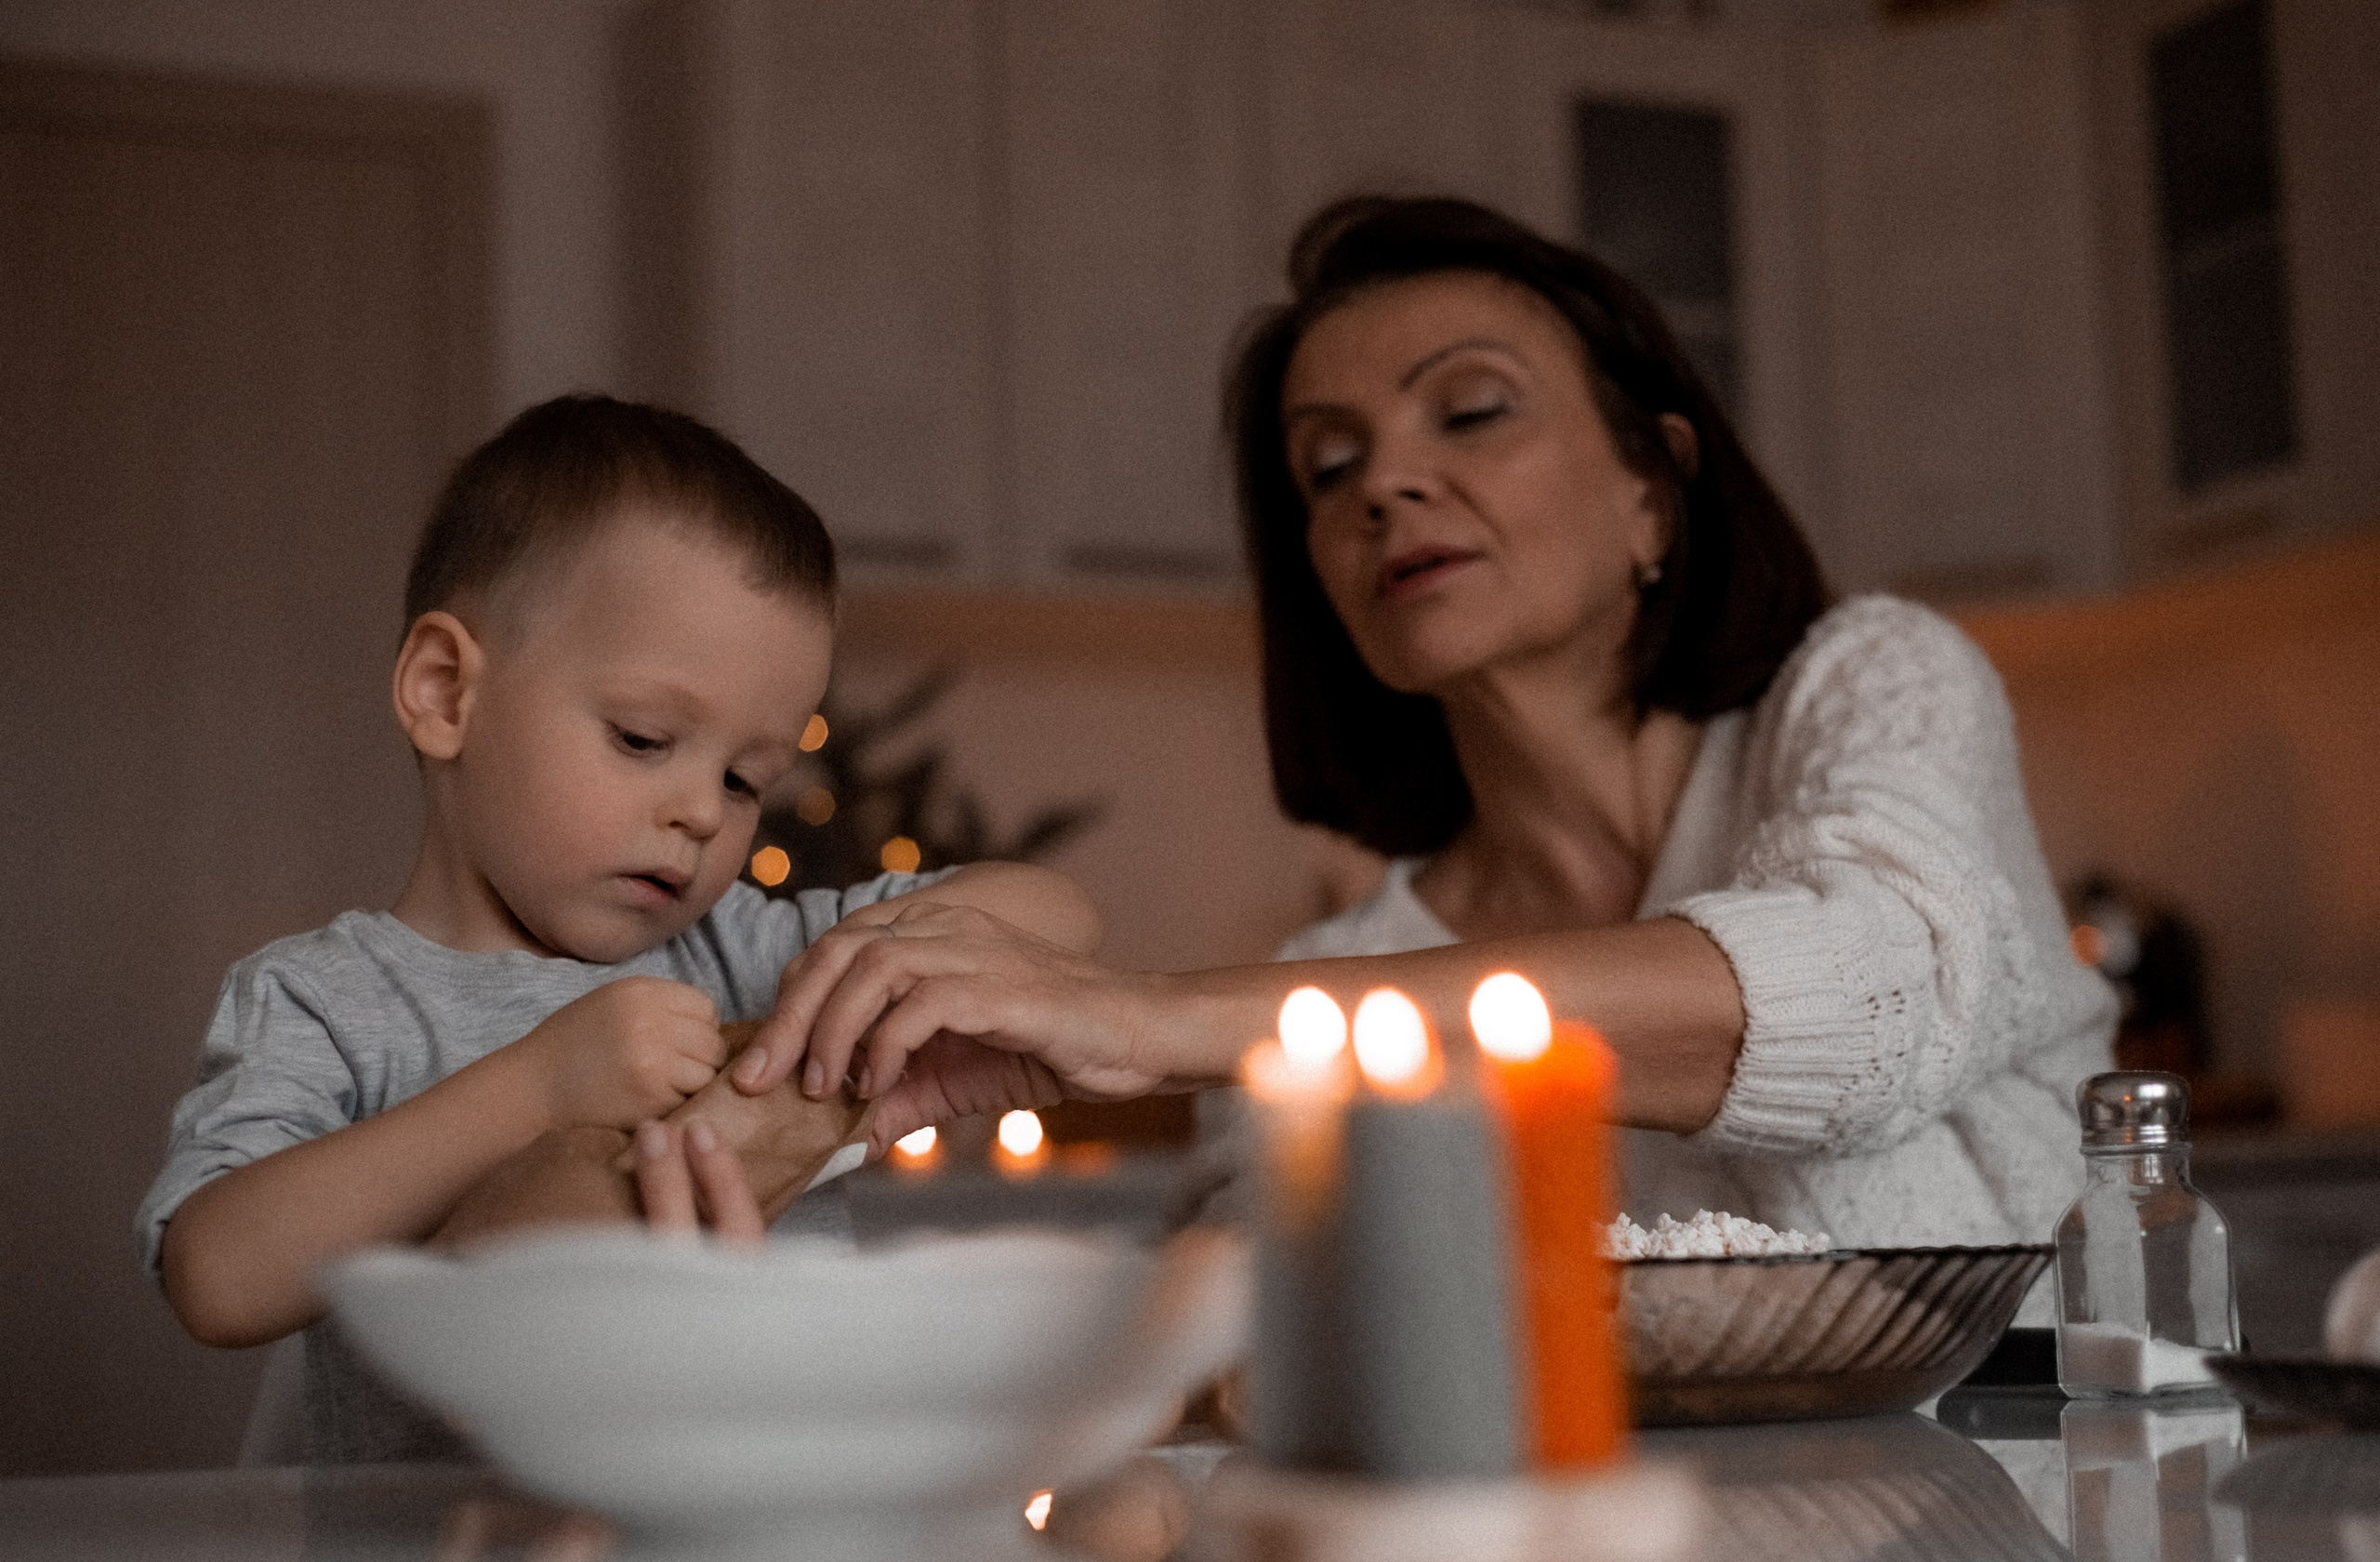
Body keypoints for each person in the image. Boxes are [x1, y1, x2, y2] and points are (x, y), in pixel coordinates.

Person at [730, 197, 2116, 1288]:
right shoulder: (1331, 979)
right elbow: (1258, 1329)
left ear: (1654, 490)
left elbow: (1881, 990)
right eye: (1328, 468)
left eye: (1471, 410)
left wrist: (1154, 1020)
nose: (1384, 482)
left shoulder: (1874, 684)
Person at [137, 395, 1098, 1461]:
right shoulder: (329, 996)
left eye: (745, 779)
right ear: (445, 691)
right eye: (644, 738)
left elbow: (1053, 918)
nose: (699, 811)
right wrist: (536, 1088)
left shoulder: (750, 954)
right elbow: (215, 1277)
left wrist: (844, 995)